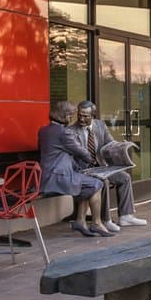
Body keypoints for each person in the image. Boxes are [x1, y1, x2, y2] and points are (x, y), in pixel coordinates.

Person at [38, 100, 114, 237]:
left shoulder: (44, 130)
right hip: (59, 178)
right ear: (65, 116)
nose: (73, 119)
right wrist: (94, 162)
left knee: (86, 182)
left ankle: (80, 221)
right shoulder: (64, 133)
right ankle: (96, 223)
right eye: (72, 115)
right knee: (97, 183)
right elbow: (81, 152)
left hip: (47, 175)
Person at [71, 100, 147, 230]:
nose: (81, 119)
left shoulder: (100, 125)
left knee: (124, 177)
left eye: (85, 116)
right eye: (80, 115)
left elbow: (109, 142)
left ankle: (125, 216)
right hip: (84, 170)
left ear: (93, 116)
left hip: (100, 166)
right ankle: (105, 220)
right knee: (104, 182)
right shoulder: (71, 131)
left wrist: (119, 145)